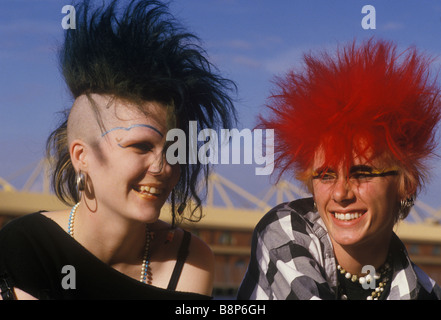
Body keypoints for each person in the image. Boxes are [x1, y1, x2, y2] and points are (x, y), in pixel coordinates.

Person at [0, 0, 236, 300]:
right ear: (81, 156)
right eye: (141, 146)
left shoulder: (191, 259)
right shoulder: (26, 246)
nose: (163, 167)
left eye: (176, 148)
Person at [237, 38, 441, 300]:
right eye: (326, 175)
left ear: (405, 184)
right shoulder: (285, 234)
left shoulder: (425, 292)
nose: (340, 194)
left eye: (362, 173)